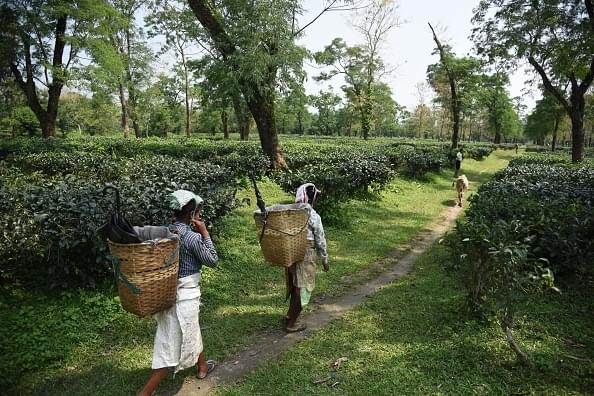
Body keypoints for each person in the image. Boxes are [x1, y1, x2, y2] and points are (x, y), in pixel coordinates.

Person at [138, 190, 218, 396]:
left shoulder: (165, 232)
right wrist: (205, 233)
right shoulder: (191, 237)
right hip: (185, 296)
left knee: (192, 329)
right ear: (192, 214)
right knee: (170, 347)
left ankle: (202, 367)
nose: (200, 216)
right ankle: (144, 393)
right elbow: (212, 260)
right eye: (199, 213)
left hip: (166, 292)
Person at [284, 183, 329, 333]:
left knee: (295, 284)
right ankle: (292, 323)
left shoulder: (290, 212)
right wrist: (324, 259)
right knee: (303, 288)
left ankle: (290, 314)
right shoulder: (313, 215)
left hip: (290, 252)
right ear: (312, 198)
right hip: (306, 253)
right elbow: (320, 239)